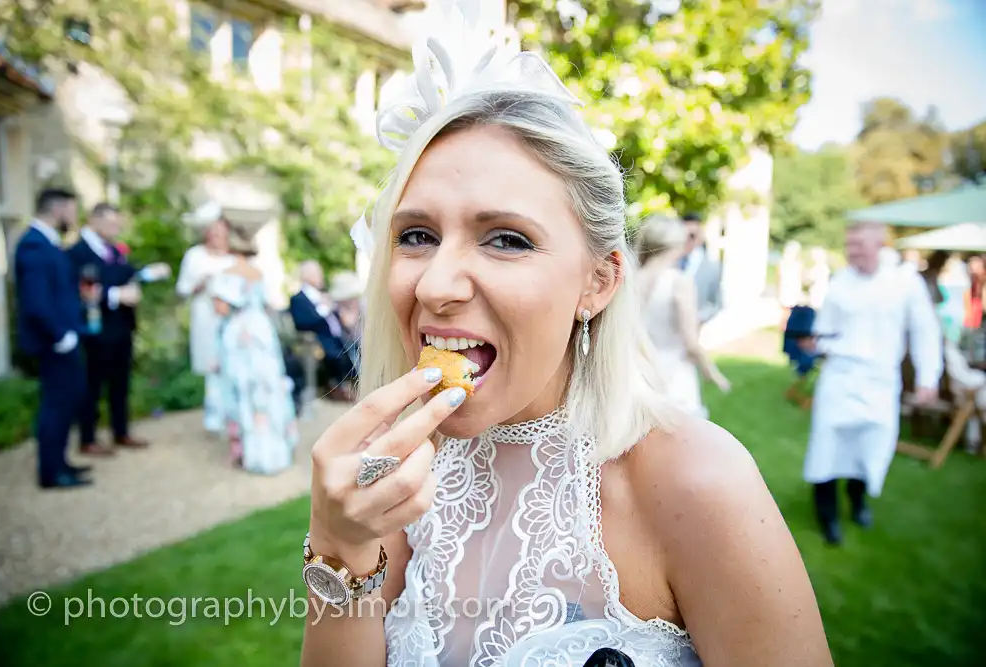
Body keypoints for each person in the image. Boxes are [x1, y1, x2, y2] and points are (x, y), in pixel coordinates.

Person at [299, 4, 833, 665]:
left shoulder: (698, 482)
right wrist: (338, 542)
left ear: (598, 283)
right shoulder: (406, 478)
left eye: (506, 239)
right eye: (417, 235)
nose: (436, 284)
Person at [800, 223, 943, 546]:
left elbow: (924, 331)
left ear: (879, 243)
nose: (853, 251)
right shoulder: (840, 282)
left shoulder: (905, 282)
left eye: (859, 244)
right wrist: (816, 344)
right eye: (849, 245)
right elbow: (826, 332)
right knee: (827, 446)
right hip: (839, 378)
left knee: (869, 447)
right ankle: (828, 517)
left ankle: (858, 501)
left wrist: (927, 378)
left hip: (880, 382)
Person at [67, 203, 167, 454]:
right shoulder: (77, 252)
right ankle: (88, 438)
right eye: (112, 223)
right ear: (95, 220)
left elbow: (124, 273)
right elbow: (80, 290)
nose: (117, 228)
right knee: (93, 384)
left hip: (122, 327)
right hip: (96, 329)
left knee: (120, 383)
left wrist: (145, 274)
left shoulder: (113, 250)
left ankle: (120, 431)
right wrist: (114, 296)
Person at [14, 189, 91, 489]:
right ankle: (51, 472)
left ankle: (61, 463)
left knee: (67, 400)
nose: (73, 217)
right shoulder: (34, 245)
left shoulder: (48, 244)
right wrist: (60, 335)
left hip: (65, 337)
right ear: (58, 210)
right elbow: (36, 301)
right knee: (55, 405)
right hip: (53, 342)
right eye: (71, 210)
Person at [209, 227, 298, 474]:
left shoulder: (225, 274)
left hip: (239, 335)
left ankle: (247, 449)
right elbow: (268, 304)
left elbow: (222, 309)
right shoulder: (258, 272)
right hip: (262, 333)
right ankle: (277, 443)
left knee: (242, 389)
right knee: (268, 388)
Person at [635, 216, 730, 418]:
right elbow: (691, 342)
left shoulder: (630, 279)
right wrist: (711, 372)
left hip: (636, 370)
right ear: (675, 245)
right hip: (673, 372)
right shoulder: (679, 282)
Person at [175, 201, 235, 432]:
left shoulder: (233, 258)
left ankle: (231, 414)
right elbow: (182, 289)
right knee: (211, 365)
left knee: (231, 363)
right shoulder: (195, 256)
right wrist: (199, 284)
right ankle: (214, 415)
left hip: (230, 318)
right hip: (205, 317)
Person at [289, 260, 356, 401]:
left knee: (354, 347)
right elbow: (302, 322)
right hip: (319, 340)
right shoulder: (298, 299)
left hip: (339, 336)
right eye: (317, 273)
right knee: (337, 355)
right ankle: (337, 387)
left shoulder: (322, 295)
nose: (320, 276)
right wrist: (324, 309)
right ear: (307, 276)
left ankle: (349, 385)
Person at [677, 213, 722, 324]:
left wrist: (698, 318)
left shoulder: (713, 267)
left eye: (692, 235)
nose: (687, 239)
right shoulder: (669, 261)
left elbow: (715, 303)